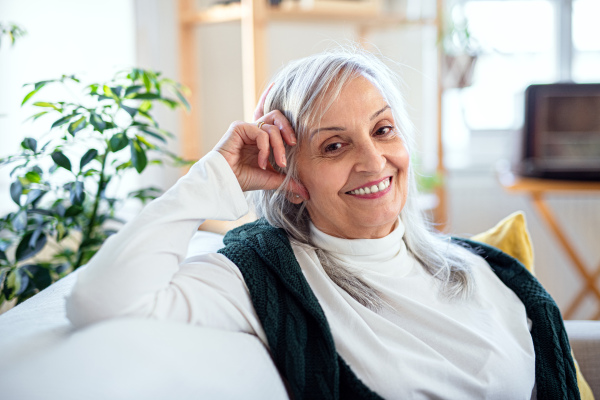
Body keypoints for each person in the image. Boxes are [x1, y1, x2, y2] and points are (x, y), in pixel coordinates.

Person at [66, 48, 579, 399]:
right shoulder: (265, 278)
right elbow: (103, 299)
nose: (375, 161)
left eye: (383, 130)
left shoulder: (485, 270)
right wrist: (215, 175)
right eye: (334, 145)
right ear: (290, 176)